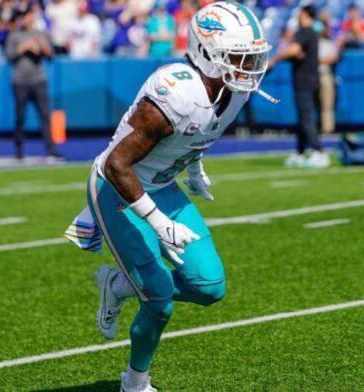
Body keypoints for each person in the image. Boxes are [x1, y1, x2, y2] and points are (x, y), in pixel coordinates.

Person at [64, 3, 272, 391]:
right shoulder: (176, 92)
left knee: (210, 286)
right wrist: (159, 223)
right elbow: (116, 164)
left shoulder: (234, 90)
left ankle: (119, 285)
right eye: (240, 56)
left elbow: (200, 132)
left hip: (162, 184)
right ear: (209, 53)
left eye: (251, 56)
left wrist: (193, 169)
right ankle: (135, 383)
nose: (249, 66)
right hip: (118, 189)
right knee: (159, 299)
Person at [270, 5, 330, 168]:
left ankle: (319, 151)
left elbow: (294, 49)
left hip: (304, 80)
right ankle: (300, 152)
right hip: (312, 78)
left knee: (306, 117)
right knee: (304, 117)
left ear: (304, 15)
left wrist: (275, 59)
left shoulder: (303, 32)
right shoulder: (312, 33)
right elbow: (298, 53)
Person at [6, 7, 62, 160]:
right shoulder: (14, 35)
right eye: (23, 16)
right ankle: (19, 150)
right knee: (20, 116)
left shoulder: (40, 34)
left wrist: (42, 48)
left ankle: (51, 149)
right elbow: (9, 57)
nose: (26, 19)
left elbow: (51, 56)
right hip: (20, 81)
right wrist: (23, 48)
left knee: (45, 115)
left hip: (39, 80)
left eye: (28, 15)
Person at [317, 10, 339, 135]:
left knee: (327, 102)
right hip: (314, 75)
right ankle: (317, 127)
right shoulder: (313, 43)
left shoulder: (328, 43)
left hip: (325, 74)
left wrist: (317, 61)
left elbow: (333, 57)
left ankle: (328, 128)